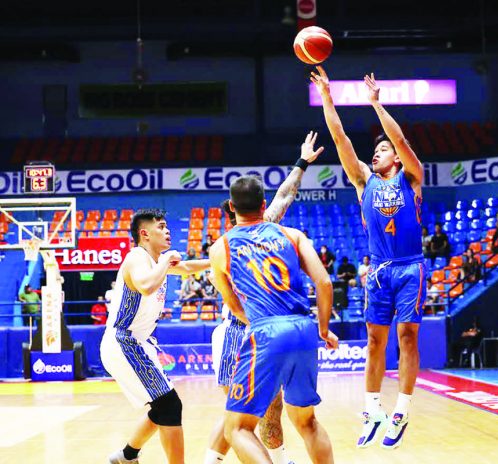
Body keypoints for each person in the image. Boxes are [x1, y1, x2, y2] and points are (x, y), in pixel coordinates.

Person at [312, 66, 425, 449]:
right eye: (374, 151)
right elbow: (340, 137)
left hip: (410, 266)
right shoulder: (364, 181)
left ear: (394, 157)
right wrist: (328, 96)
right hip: (378, 270)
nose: (375, 154)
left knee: (407, 338)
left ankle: (402, 411)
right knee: (375, 343)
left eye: (381, 150)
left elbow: (399, 138)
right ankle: (373, 409)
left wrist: (375, 104)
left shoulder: (411, 177)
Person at [205, 130, 325, 464]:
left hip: (264, 327)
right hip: (239, 329)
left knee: (269, 411)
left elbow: (286, 194)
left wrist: (301, 162)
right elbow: (284, 195)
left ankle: (281, 459)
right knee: (238, 413)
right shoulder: (224, 246)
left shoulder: (260, 231)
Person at [100, 209, 209, 464]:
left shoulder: (156, 261)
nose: (168, 231)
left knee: (162, 407)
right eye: (161, 227)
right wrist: (166, 259)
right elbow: (146, 285)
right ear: (144, 234)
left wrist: (217, 260)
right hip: (123, 341)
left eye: (168, 226)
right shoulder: (136, 257)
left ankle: (126, 456)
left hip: (138, 343)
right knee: (170, 405)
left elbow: (186, 268)